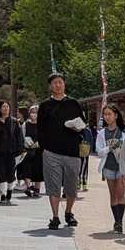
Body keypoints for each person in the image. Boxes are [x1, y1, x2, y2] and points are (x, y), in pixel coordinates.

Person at [38, 73, 86, 230]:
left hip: (72, 151)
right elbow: (40, 129)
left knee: (71, 186)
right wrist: (44, 148)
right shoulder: (45, 105)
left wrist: (76, 127)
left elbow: (83, 124)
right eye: (55, 83)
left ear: (64, 84)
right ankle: (55, 216)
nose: (58, 85)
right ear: (50, 86)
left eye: (60, 82)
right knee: (53, 185)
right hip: (51, 151)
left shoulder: (73, 103)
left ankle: (69, 212)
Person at [98, 105, 125, 233]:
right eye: (105, 114)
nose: (107, 117)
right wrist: (110, 148)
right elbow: (99, 152)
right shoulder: (102, 133)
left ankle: (119, 222)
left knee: (121, 194)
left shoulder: (123, 131)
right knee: (113, 195)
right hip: (108, 167)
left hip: (121, 167)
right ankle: (117, 220)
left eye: (109, 114)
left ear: (115, 115)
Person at [0, 100, 23, 203]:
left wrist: (20, 150)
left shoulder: (14, 122)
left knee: (11, 173)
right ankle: (2, 194)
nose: (6, 108)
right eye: (3, 107)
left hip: (11, 152)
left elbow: (19, 137)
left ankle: (10, 190)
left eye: (7, 107)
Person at [18, 104, 43, 197]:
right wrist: (26, 142)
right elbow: (22, 136)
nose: (34, 114)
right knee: (27, 168)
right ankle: (28, 187)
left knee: (38, 169)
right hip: (27, 150)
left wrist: (38, 143)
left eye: (36, 112)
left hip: (38, 150)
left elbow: (44, 137)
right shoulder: (25, 124)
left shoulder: (42, 125)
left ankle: (37, 189)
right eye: (32, 112)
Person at [78, 118, 95, 191]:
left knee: (82, 167)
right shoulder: (84, 130)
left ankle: (82, 184)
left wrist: (90, 150)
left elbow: (91, 141)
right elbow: (91, 141)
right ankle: (80, 183)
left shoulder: (84, 131)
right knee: (82, 167)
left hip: (84, 152)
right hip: (82, 152)